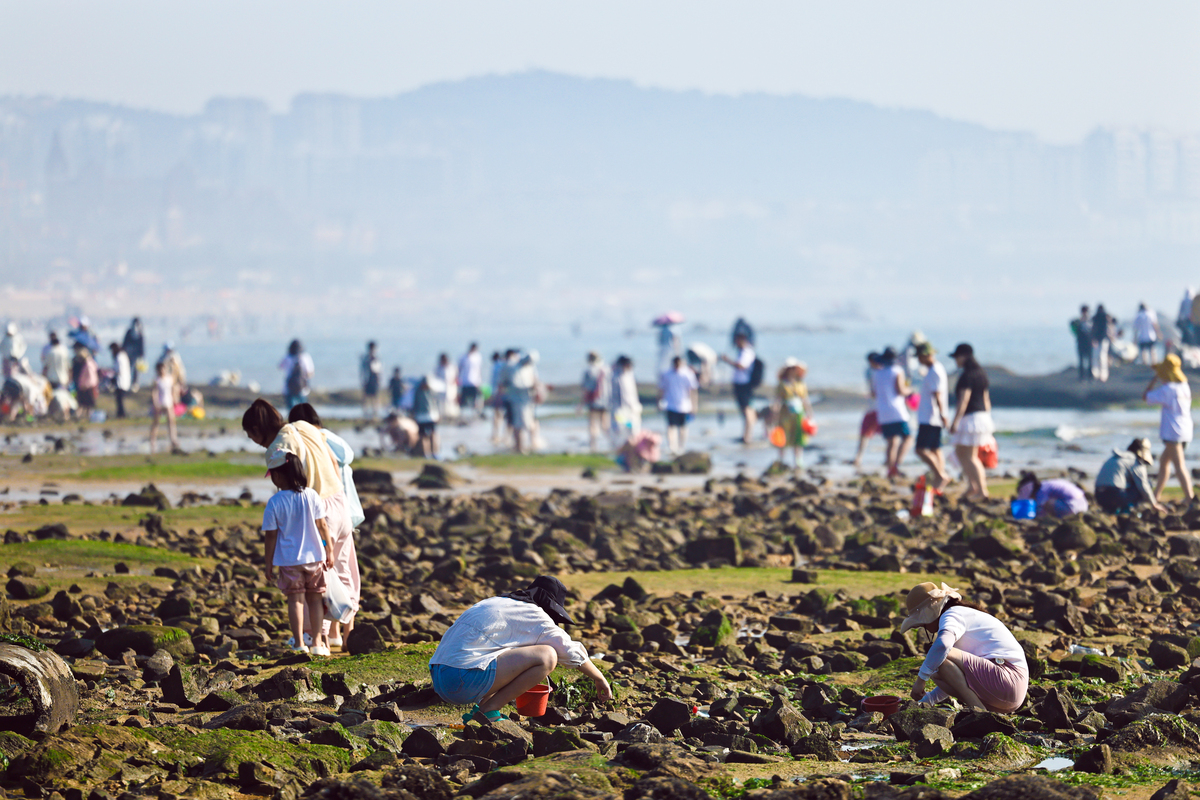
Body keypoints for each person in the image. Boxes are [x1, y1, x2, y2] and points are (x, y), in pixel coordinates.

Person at [428, 575, 612, 726]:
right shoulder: (534, 613)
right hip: (462, 680)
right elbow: (568, 650)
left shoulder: (497, 602)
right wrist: (599, 678)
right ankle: (488, 710)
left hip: (439, 677)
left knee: (496, 650)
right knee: (548, 656)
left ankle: (481, 709)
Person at [287, 404, 363, 649]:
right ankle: (344, 634)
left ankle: (323, 636)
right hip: (347, 513)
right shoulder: (337, 444)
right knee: (345, 571)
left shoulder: (314, 442)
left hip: (327, 512)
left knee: (323, 575)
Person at [902, 582, 1028, 713]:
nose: (925, 628)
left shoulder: (952, 614)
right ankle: (981, 712)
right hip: (1012, 693)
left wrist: (921, 680)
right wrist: (928, 700)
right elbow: (955, 678)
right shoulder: (963, 614)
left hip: (1007, 678)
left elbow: (943, 645)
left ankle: (979, 712)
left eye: (923, 624)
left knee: (938, 657)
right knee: (937, 665)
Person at [263, 452, 335, 656]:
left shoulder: (275, 502)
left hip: (289, 560)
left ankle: (300, 643)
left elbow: (271, 536)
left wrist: (268, 563)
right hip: (314, 557)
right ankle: (318, 643)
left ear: (278, 476)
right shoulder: (311, 495)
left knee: (295, 600)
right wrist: (329, 550)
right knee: (315, 600)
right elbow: (322, 526)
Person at [1144, 353, 1195, 505]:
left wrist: (1154, 379)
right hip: (1185, 429)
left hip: (1173, 432)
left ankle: (1190, 498)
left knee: (1179, 466)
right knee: (1164, 461)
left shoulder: (1168, 389)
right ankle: (1156, 495)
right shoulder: (1184, 387)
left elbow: (1146, 396)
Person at [949, 343, 994, 500]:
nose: (956, 360)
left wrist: (955, 421)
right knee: (965, 454)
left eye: (957, 357)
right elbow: (986, 399)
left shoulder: (967, 376)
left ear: (964, 356)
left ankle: (981, 490)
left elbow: (964, 400)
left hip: (971, 418)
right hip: (982, 417)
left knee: (968, 456)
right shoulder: (981, 374)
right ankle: (972, 486)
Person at [914, 342, 950, 491]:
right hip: (932, 417)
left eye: (920, 356)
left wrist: (943, 415)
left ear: (927, 355)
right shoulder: (934, 369)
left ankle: (940, 475)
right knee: (936, 449)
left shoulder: (935, 371)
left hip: (930, 417)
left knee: (920, 450)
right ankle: (938, 479)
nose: (918, 360)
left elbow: (937, 394)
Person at [872, 347, 912, 481]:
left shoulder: (877, 373)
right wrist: (910, 390)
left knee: (891, 442)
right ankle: (895, 466)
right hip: (897, 411)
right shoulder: (897, 371)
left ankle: (890, 471)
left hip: (883, 412)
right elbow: (900, 390)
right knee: (908, 438)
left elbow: (874, 393)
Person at [1095, 439, 1165, 514]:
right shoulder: (1135, 461)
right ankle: (1126, 511)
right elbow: (1143, 485)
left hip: (1099, 496)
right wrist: (1154, 504)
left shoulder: (1115, 457)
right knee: (1148, 484)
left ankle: (1111, 510)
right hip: (1116, 496)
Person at [772, 358, 814, 469]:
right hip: (785, 413)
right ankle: (781, 460)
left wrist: (809, 413)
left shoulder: (801, 384)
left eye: (794, 369)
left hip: (798, 414)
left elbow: (805, 400)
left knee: (799, 437)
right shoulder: (782, 384)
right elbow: (777, 400)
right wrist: (774, 413)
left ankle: (798, 460)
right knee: (783, 436)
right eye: (790, 369)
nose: (792, 371)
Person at [721, 332, 757, 444]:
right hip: (741, 384)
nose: (735, 343)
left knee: (747, 410)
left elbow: (741, 366)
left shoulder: (747, 352)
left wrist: (727, 360)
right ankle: (746, 435)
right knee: (745, 410)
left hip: (744, 384)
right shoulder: (742, 351)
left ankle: (747, 436)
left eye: (737, 340)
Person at [658, 355, 699, 456]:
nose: (677, 365)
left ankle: (681, 447)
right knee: (670, 427)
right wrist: (659, 401)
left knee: (683, 427)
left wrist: (694, 405)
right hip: (670, 404)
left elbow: (693, 390)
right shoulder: (667, 374)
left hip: (684, 405)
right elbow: (662, 389)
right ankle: (672, 447)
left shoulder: (688, 374)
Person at [852, 353, 883, 470]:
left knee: (888, 435)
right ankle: (858, 457)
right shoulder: (873, 371)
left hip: (878, 408)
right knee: (866, 433)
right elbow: (874, 391)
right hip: (876, 408)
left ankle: (858, 457)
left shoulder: (874, 371)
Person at [1015, 472, 1088, 518]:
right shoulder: (1045, 484)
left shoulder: (1041, 491)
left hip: (1074, 508)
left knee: (1047, 503)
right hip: (1083, 504)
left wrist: (1034, 517)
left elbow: (1040, 509)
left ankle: (1062, 518)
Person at [508, 352, 540, 453]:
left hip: (528, 401)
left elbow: (535, 381)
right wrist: (530, 387)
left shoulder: (530, 368)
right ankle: (519, 447)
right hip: (517, 401)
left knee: (529, 423)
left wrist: (537, 390)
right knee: (518, 424)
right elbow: (515, 384)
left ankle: (531, 444)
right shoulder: (515, 368)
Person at [580, 352, 611, 451]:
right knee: (605, 425)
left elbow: (586, 389)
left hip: (593, 402)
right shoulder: (606, 369)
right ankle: (613, 444)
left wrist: (581, 404)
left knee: (593, 425)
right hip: (606, 402)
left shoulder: (589, 371)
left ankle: (593, 446)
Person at [149, 361, 180, 454]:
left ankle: (173, 439)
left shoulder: (169, 378)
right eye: (160, 369)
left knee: (171, 422)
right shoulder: (157, 380)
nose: (162, 371)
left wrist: (173, 364)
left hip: (168, 402)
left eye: (163, 369)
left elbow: (175, 376)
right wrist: (155, 403)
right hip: (159, 403)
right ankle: (152, 440)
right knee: (156, 423)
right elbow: (154, 392)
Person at [610, 355, 642, 442]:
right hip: (619, 409)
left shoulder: (629, 375)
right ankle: (622, 444)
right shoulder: (615, 376)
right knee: (620, 428)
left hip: (631, 408)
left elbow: (632, 393)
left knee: (632, 428)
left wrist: (636, 406)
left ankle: (631, 444)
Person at [412, 376, 441, 458]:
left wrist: (438, 414)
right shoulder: (418, 392)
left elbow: (436, 403)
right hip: (421, 417)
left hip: (431, 416)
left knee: (433, 435)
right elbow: (415, 404)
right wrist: (414, 415)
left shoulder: (432, 391)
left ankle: (434, 452)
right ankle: (426, 453)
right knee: (423, 436)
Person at [279, 340, 313, 410]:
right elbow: (310, 373)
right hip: (302, 387)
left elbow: (280, 367)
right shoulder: (305, 357)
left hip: (289, 387)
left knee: (291, 409)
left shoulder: (287, 357)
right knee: (304, 409)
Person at [458, 343, 484, 419]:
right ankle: (461, 415)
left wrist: (479, 381)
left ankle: (475, 415)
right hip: (465, 382)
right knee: (463, 400)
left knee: (476, 399)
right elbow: (459, 368)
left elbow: (479, 369)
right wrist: (458, 379)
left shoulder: (478, 357)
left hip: (475, 382)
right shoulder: (463, 357)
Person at [72, 344, 99, 414]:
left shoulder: (86, 363)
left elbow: (87, 374)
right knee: (85, 401)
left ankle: (85, 413)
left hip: (85, 384)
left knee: (84, 401)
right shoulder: (91, 362)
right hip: (86, 384)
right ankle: (86, 413)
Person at [359, 342, 382, 421]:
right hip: (367, 379)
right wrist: (362, 380)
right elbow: (362, 370)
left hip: (374, 379)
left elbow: (379, 370)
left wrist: (379, 380)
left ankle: (375, 412)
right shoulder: (365, 358)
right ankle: (365, 412)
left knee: (375, 396)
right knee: (365, 396)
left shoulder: (376, 358)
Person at [1091, 304, 1114, 382]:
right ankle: (1103, 375)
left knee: (1096, 357)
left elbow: (1093, 329)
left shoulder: (1095, 318)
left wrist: (1093, 339)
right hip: (1104, 339)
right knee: (1102, 357)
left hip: (1098, 340)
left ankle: (1096, 374)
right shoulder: (1105, 317)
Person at [109, 342, 131, 419]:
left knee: (120, 399)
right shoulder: (123, 355)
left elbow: (118, 370)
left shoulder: (119, 357)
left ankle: (121, 414)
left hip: (121, 381)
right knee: (120, 399)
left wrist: (111, 373)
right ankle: (120, 413)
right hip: (123, 380)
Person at [122, 318, 145, 390]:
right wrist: (123, 351)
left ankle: (134, 383)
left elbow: (141, 345)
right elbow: (125, 342)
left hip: (136, 355)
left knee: (136, 370)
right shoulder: (129, 332)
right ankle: (127, 383)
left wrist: (141, 354)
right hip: (128, 353)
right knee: (127, 368)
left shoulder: (140, 333)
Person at [1070, 306, 1092, 381]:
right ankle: (1082, 377)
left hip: (1089, 343)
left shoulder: (1091, 321)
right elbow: (1073, 328)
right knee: (1081, 360)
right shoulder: (1077, 321)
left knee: (1090, 360)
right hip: (1081, 342)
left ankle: (1090, 376)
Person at [435, 353, 459, 420]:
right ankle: (442, 416)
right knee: (441, 402)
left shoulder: (452, 367)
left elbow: (456, 376)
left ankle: (452, 416)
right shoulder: (438, 368)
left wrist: (455, 384)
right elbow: (435, 378)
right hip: (441, 388)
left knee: (451, 401)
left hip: (451, 387)